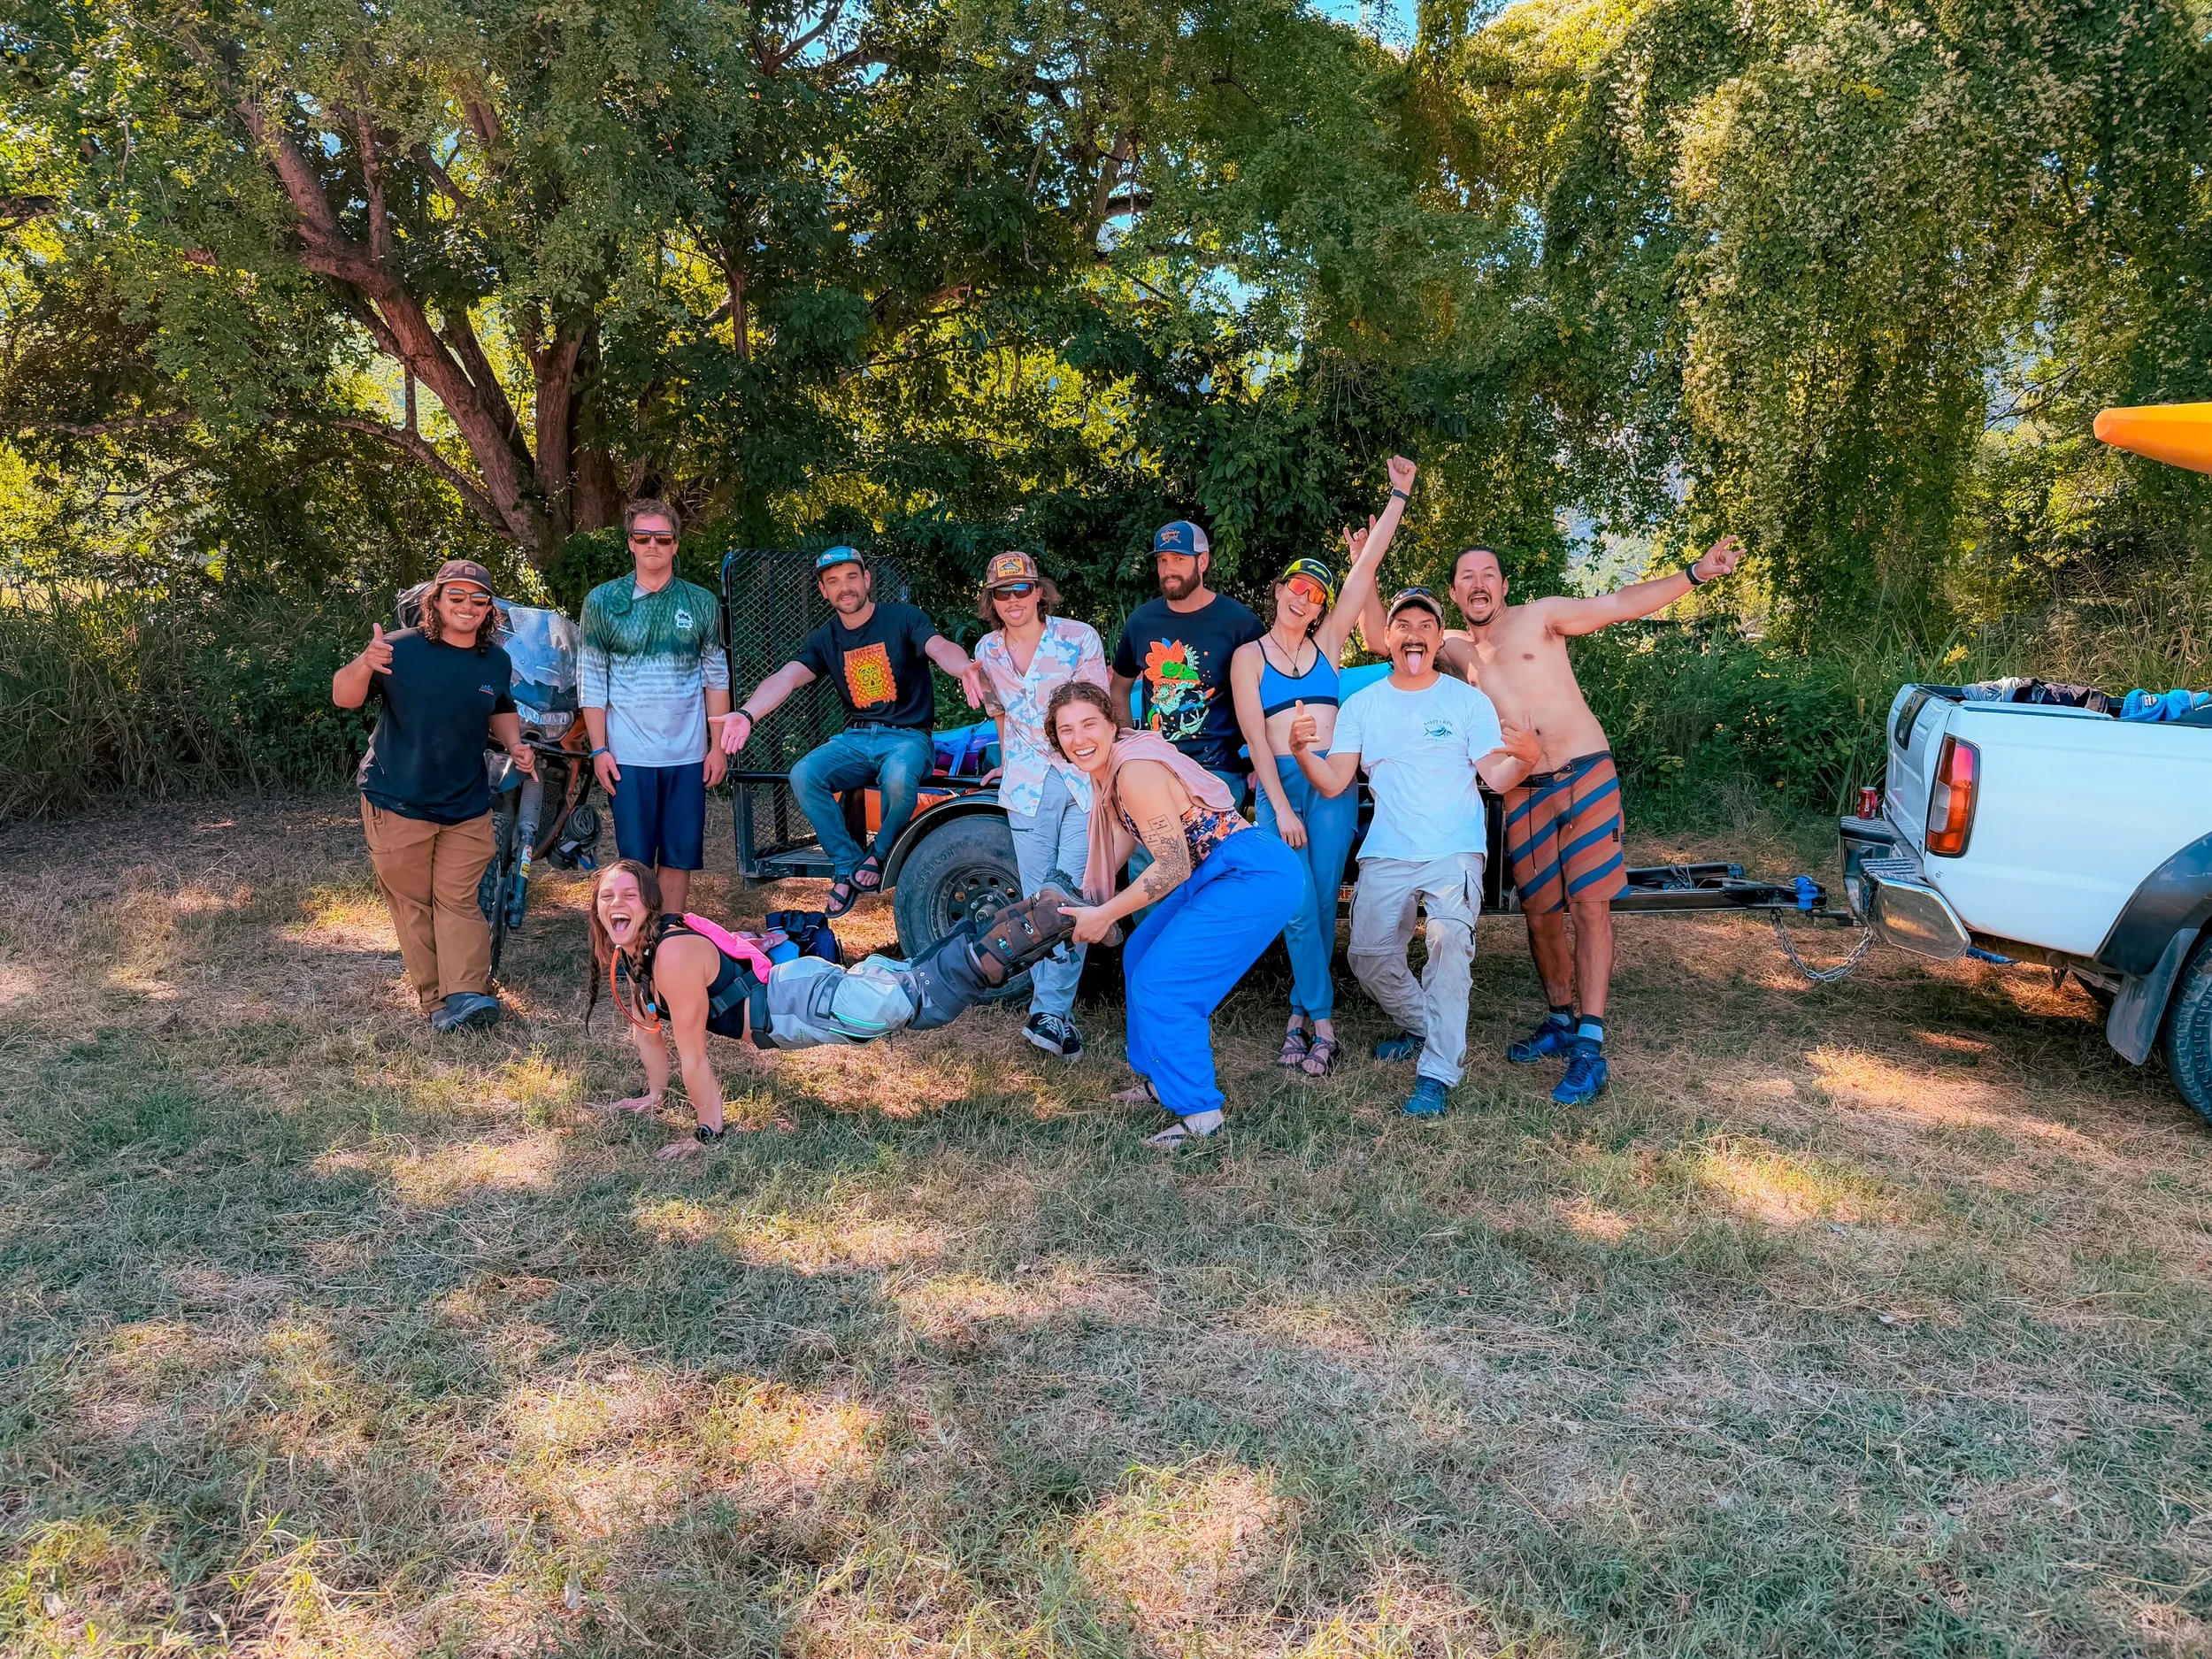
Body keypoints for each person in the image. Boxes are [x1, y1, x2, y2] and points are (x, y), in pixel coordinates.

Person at [1363, 533, 1744, 1105]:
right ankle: (1561, 1020)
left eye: (1488, 574)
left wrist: (1695, 573)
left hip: (1583, 771)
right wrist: (1364, 563)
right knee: (1540, 914)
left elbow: (1619, 604)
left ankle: (1590, 1046)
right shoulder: (1454, 648)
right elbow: (1378, 637)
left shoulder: (1540, 617)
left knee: (1589, 906)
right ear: (1454, 593)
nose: (1478, 584)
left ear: (1504, 585)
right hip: (1522, 788)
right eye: (1466, 577)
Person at [589, 859, 1076, 1158]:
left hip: (797, 1004)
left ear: (650, 904)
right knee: (918, 981)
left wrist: (707, 1134)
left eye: (629, 894)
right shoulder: (634, 955)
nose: (617, 903)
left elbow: (694, 1058)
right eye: (607, 896)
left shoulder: (670, 955)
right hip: (796, 999)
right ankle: (1043, 910)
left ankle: (1050, 916)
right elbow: (647, 1030)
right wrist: (655, 1094)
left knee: (924, 998)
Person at [1290, 588, 1540, 1116]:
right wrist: (1301, 752)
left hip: (1454, 850)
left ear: (1438, 638)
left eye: (1427, 625)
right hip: (1387, 850)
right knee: (1367, 957)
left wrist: (1526, 759)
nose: (1415, 634)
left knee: (1449, 942)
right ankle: (1427, 1026)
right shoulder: (1362, 705)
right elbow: (1333, 782)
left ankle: (1437, 1071)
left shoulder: (1467, 702)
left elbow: (1497, 776)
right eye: (1403, 624)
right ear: (1387, 637)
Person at [1051, 681, 1303, 1148]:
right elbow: (1120, 846)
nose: (1078, 738)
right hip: (1215, 869)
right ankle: (1161, 1080)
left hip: (1252, 871)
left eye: (1089, 724)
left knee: (1164, 982)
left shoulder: (1134, 772)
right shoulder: (1109, 774)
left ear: (1112, 725)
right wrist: (1084, 905)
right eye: (1066, 730)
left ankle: (1200, 1112)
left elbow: (1171, 866)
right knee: (1139, 954)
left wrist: (1105, 915)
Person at [1230, 456, 1417, 1078]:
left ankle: (1297, 1016)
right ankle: (1325, 1023)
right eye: (1296, 586)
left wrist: (1397, 495)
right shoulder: (1248, 657)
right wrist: (1280, 809)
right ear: (1279, 590)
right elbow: (1255, 739)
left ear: (1319, 609)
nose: (1303, 597)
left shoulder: (1329, 644)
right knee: (1293, 902)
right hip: (1279, 787)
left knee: (1317, 904)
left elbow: (1366, 569)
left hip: (1332, 784)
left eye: (1315, 594)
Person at [333, 558, 538, 1032]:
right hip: (397, 798)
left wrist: (515, 744)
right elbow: (344, 696)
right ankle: (437, 1003)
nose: (468, 606)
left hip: (466, 801)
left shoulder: (495, 661)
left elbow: (500, 705)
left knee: (460, 899)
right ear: (437, 602)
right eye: (456, 596)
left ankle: (467, 992)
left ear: (489, 609)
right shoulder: (399, 649)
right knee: (415, 904)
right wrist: (364, 663)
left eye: (478, 599)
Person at [723, 545, 979, 918]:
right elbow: (786, 678)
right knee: (804, 773)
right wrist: (747, 714)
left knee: (898, 777)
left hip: (908, 737)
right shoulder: (824, 638)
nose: (844, 587)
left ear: (867, 580)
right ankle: (846, 864)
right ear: (823, 590)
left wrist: (965, 667)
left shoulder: (903, 617)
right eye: (833, 581)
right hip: (856, 739)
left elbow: (939, 647)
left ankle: (879, 854)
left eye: (851, 577)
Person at [970, 550, 1110, 1060]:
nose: (1013, 600)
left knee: (1067, 897)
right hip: (1027, 786)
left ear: (1038, 592)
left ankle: (1050, 1011)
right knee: (1038, 904)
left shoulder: (1079, 638)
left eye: (1022, 589)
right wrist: (1006, 761)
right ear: (991, 601)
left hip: (1082, 781)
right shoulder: (987, 650)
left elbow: (1096, 711)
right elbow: (1001, 714)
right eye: (1002, 593)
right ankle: (1052, 1014)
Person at [580, 498, 731, 918]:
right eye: (643, 537)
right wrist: (598, 749)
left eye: (662, 538)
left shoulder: (700, 602)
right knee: (635, 862)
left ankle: (669, 938)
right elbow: (591, 681)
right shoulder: (603, 601)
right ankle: (636, 944)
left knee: (679, 857)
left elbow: (716, 679)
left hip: (687, 755)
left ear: (675, 544)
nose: (653, 545)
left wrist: (717, 747)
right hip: (627, 756)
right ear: (630, 543)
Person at [1109, 520, 1265, 804]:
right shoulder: (1141, 622)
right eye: (1162, 560)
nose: (1168, 570)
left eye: (1178, 559)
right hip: (1156, 764)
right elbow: (1119, 688)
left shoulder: (1240, 624)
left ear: (1202, 562)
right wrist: (1127, 747)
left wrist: (1260, 763)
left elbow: (1268, 696)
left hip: (1218, 769)